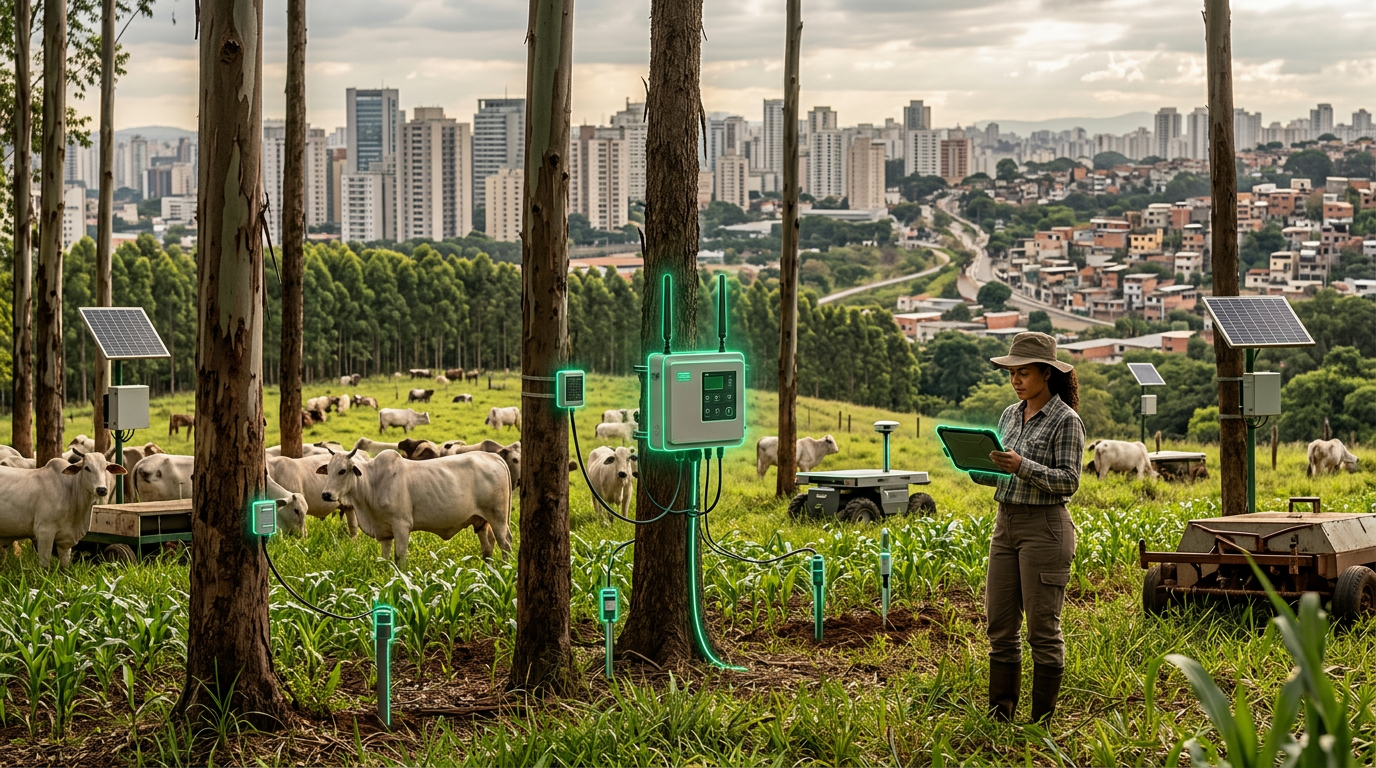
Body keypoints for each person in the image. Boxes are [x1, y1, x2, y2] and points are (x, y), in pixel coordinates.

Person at [971, 331, 1084, 725]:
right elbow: (1002, 476)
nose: (1016, 380)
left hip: (1045, 529)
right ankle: (1000, 716)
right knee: (1000, 625)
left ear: (1047, 374)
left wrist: (1022, 466)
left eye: (1024, 372)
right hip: (1006, 525)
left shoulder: (1066, 421)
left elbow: (1069, 481)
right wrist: (979, 466)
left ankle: (1042, 722)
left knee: (1042, 631)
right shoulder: (1008, 415)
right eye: (1012, 373)